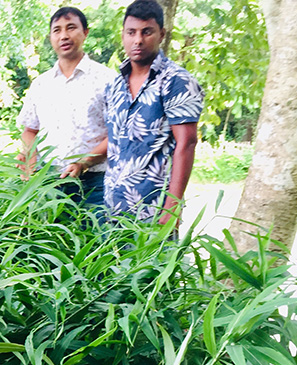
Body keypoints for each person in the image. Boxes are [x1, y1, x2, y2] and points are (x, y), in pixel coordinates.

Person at [101, 0, 203, 226]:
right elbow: (116, 141)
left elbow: (186, 144)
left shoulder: (176, 81)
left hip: (153, 211)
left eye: (146, 32)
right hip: (112, 210)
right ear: (123, 35)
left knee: (156, 262)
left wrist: (172, 206)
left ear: (161, 34)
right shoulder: (114, 86)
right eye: (131, 32)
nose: (138, 40)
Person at [17, 7, 116, 208]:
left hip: (96, 184)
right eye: (57, 30)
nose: (64, 36)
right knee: (50, 239)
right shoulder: (41, 84)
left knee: (97, 238)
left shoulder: (108, 80)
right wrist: (30, 162)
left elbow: (118, 133)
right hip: (49, 184)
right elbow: (30, 130)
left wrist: (84, 163)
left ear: (85, 33)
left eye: (71, 28)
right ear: (50, 37)